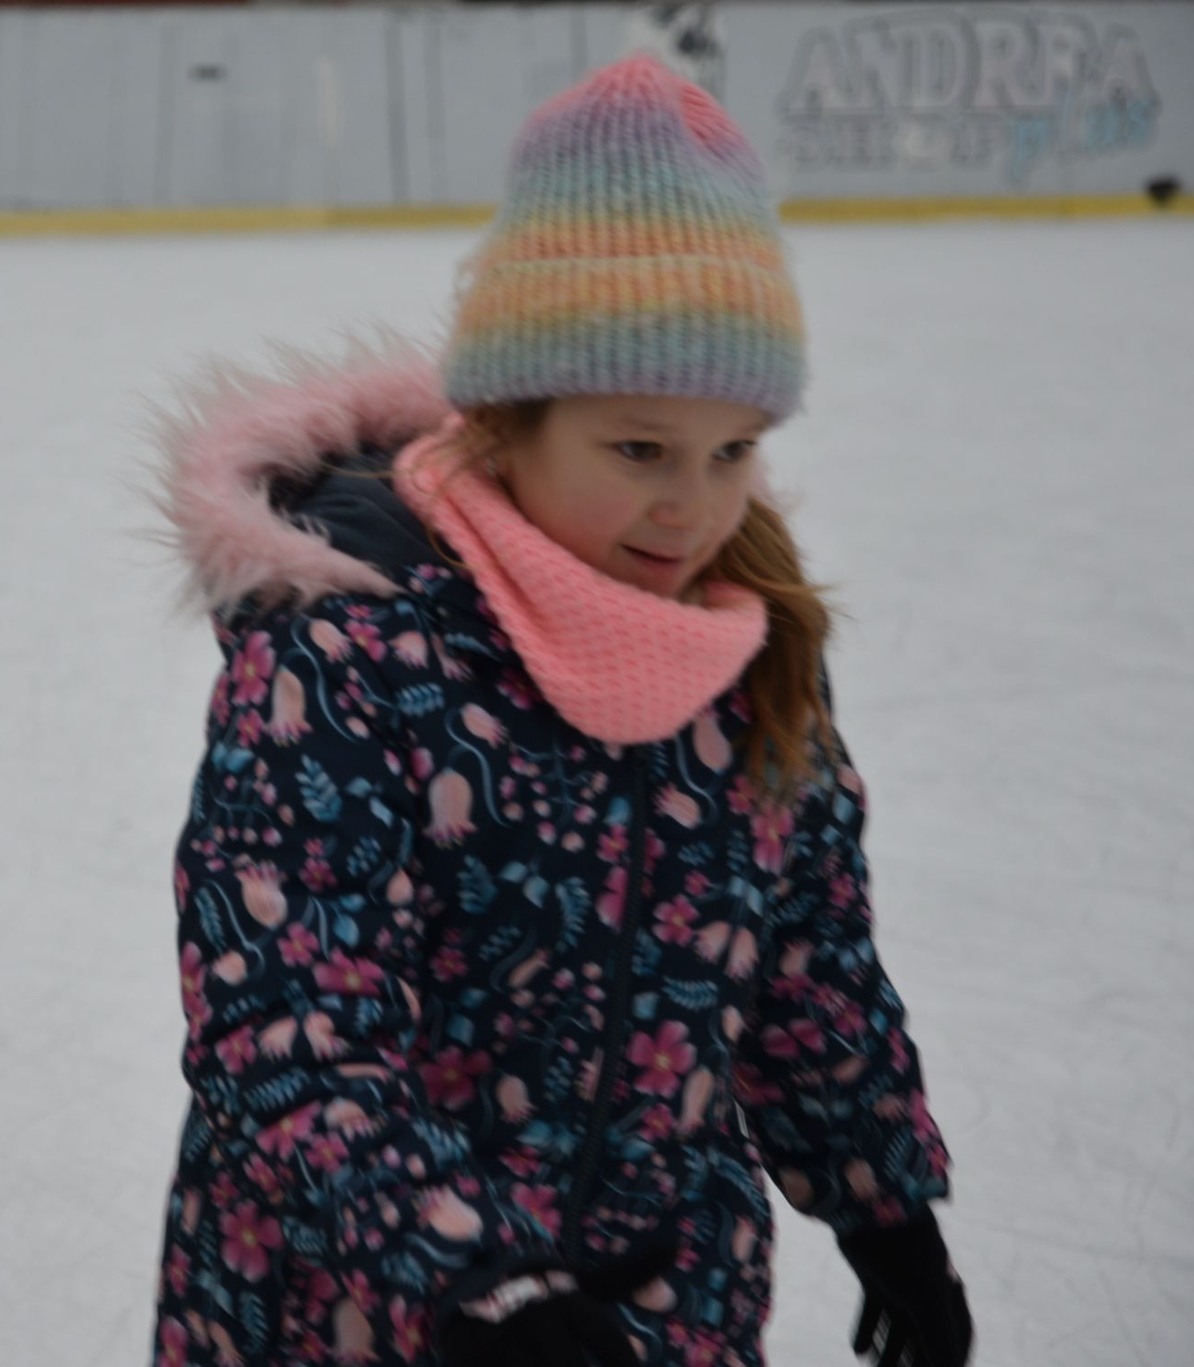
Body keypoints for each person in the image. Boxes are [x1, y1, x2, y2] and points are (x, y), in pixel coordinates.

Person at [145, 53, 970, 1367]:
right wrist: (474, 1283)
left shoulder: (743, 656)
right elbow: (288, 1029)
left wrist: (888, 1210)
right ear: (505, 425)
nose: (691, 507)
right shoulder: (351, 665)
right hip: (356, 1317)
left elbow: (806, 968)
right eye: (638, 448)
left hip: (662, 1312)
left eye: (733, 451)